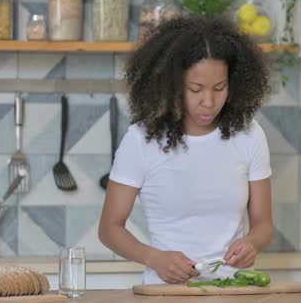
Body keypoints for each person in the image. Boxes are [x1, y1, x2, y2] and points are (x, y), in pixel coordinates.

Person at [98, 16, 274, 285]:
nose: (209, 101)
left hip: (233, 290)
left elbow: (263, 225)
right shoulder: (141, 140)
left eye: (219, 88)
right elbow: (109, 229)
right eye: (195, 89)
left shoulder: (250, 135)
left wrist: (252, 243)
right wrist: (154, 258)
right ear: (172, 84)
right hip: (166, 293)